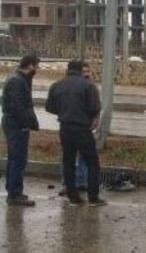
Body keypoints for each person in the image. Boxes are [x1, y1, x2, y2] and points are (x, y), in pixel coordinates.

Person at [45, 60, 104, 206]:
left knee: (68, 161)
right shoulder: (88, 86)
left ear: (68, 69)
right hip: (82, 128)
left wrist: (65, 112)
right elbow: (95, 107)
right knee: (92, 163)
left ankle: (73, 197)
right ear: (80, 70)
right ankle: (93, 197)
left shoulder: (57, 85)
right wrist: (86, 116)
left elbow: (49, 107)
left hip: (65, 128)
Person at [2, 55, 40, 206]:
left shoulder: (19, 79)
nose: (37, 69)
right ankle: (14, 194)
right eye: (36, 66)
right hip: (16, 125)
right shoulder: (17, 81)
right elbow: (18, 106)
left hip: (15, 123)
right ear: (30, 65)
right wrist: (27, 123)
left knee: (15, 158)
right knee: (18, 159)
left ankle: (14, 190)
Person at [58, 63, 93, 197]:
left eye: (87, 71)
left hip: (85, 126)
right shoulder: (67, 86)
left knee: (84, 155)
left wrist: (94, 120)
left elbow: (95, 106)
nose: (85, 73)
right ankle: (67, 184)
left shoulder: (90, 86)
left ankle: (81, 181)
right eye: (83, 71)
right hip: (70, 125)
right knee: (69, 156)